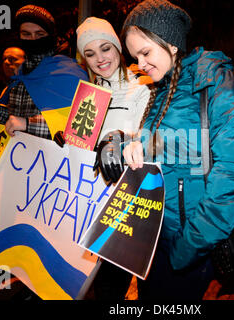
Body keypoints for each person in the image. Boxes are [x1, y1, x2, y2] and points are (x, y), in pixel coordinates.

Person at [103, 0, 234, 300]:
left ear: (171, 43)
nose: (140, 64)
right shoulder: (161, 88)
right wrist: (121, 140)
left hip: (189, 244)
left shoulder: (214, 81)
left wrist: (190, 245)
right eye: (135, 56)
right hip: (153, 236)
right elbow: (160, 143)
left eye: (145, 52)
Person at [75, 16, 151, 300]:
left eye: (105, 48)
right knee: (87, 284)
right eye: (90, 53)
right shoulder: (87, 94)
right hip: (86, 203)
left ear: (118, 48)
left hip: (125, 202)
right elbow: (80, 141)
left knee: (111, 283)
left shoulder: (141, 87)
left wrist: (122, 138)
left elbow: (150, 136)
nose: (99, 59)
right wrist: (67, 142)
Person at [0, 5, 89, 140]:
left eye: (40, 34)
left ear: (51, 36)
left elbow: (82, 128)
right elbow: (16, 114)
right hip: (16, 156)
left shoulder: (71, 72)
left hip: (54, 159)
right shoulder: (20, 75)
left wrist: (28, 124)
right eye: (26, 34)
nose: (33, 39)